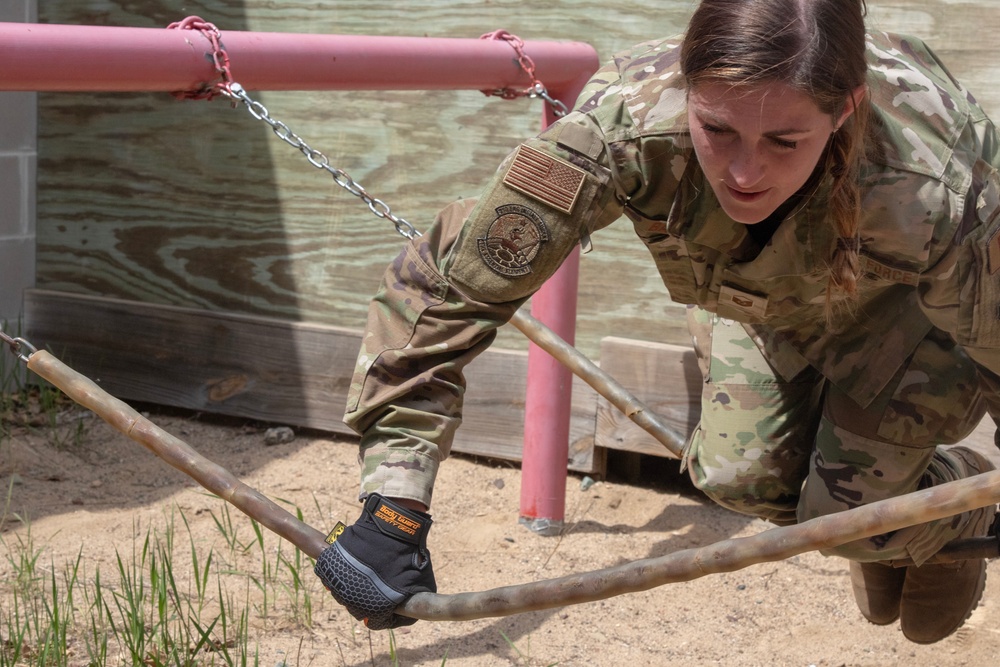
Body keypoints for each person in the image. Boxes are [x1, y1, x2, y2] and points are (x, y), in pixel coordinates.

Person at [314, 0, 1000, 643]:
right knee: (737, 479)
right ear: (686, 85)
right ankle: (884, 507)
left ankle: (941, 505)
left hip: (910, 316)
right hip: (764, 300)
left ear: (846, 110)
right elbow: (448, 290)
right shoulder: (627, 123)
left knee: (842, 521)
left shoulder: (935, 187)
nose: (743, 172)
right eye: (717, 129)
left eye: (785, 141)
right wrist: (394, 502)